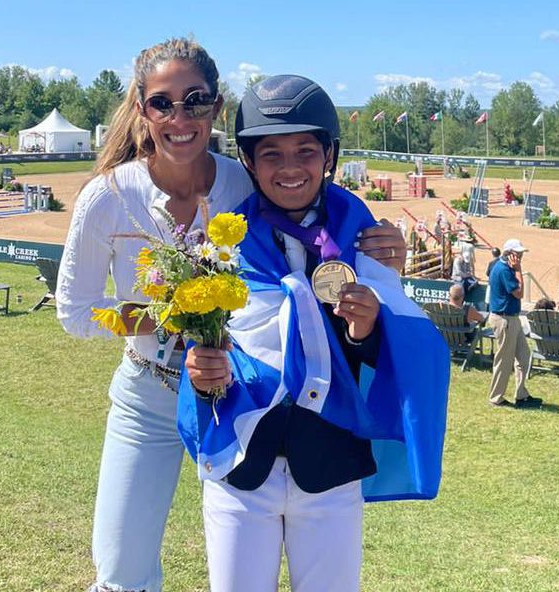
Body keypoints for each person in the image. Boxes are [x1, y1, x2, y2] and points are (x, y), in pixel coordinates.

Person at [56, 39, 407, 592]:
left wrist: (383, 256)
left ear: (216, 109)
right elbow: (75, 312)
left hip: (239, 396)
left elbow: (318, 227)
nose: (179, 117)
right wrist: (174, 315)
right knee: (122, 569)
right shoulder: (107, 197)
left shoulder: (244, 181)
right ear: (142, 109)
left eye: (195, 101)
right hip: (150, 391)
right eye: (162, 103)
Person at [181, 74, 448, 592]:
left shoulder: (365, 235)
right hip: (241, 464)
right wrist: (200, 370)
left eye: (305, 150)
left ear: (329, 155)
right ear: (249, 161)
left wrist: (367, 329)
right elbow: (208, 344)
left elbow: (389, 351)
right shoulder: (220, 244)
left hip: (329, 465)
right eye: (271, 154)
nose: (289, 168)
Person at [487, 238, 541, 409]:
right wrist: (519, 271)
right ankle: (496, 398)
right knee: (504, 361)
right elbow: (519, 293)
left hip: (511, 318)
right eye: (518, 254)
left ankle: (521, 394)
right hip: (505, 320)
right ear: (509, 254)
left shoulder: (504, 267)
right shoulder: (504, 270)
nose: (520, 257)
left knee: (524, 357)